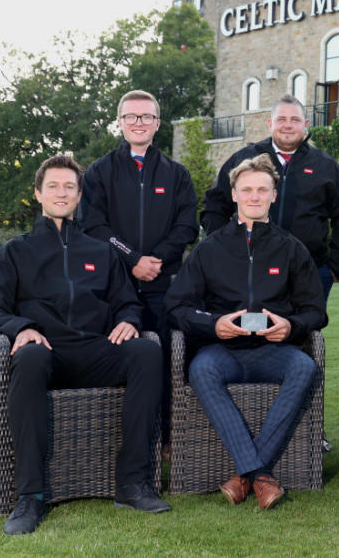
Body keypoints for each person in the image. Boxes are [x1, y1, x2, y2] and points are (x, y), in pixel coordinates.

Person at [0, 154, 169, 535]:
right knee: (28, 359)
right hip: (46, 351)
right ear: (38, 194)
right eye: (53, 186)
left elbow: (128, 301)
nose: (61, 193)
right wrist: (22, 327)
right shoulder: (14, 253)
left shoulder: (100, 252)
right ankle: (30, 496)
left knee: (146, 351)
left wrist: (129, 320)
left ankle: (132, 483)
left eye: (69, 187)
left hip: (95, 350)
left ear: (79, 195)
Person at [167, 154, 326, 510]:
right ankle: (260, 475)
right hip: (222, 351)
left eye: (262, 190)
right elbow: (176, 306)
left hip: (273, 352)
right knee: (201, 370)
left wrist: (291, 326)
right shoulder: (209, 249)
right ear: (235, 194)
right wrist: (213, 325)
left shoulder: (291, 248)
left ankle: (246, 474)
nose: (254, 196)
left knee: (304, 367)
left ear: (273, 195)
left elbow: (316, 310)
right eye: (247, 190)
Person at [81, 89, 199, 450]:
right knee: (119, 358)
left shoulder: (176, 174)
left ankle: (163, 436)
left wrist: (155, 260)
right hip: (114, 289)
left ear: (157, 124)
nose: (138, 123)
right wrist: (132, 259)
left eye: (146, 117)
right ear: (119, 123)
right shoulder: (99, 172)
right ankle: (115, 436)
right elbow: (94, 227)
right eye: (131, 117)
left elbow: (186, 228)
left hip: (164, 287)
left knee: (164, 362)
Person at [201, 94, 339, 300]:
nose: (288, 126)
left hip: (307, 272)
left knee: (304, 330)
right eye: (281, 119)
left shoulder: (326, 166)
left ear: (306, 125)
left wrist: (333, 268)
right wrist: (225, 250)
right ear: (270, 123)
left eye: (295, 120)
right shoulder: (244, 159)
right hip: (248, 270)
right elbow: (214, 206)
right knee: (247, 329)